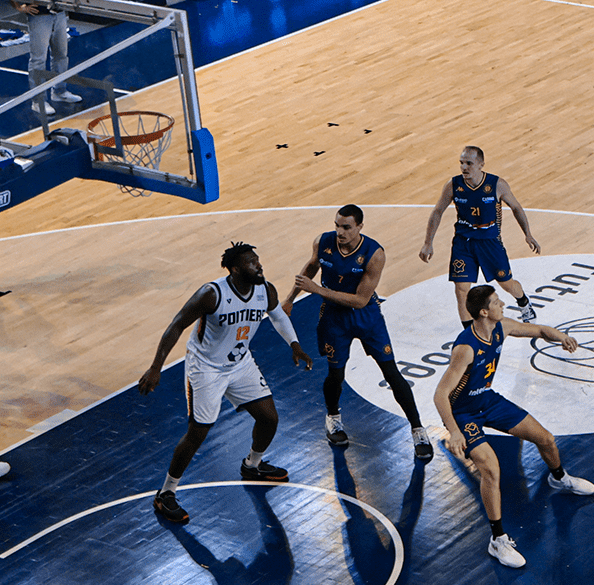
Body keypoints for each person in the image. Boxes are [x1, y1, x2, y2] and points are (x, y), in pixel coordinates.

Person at [137, 242, 313, 526]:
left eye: (258, 260)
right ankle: (166, 492)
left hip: (240, 363)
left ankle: (252, 466)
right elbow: (177, 325)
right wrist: (156, 367)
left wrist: (295, 345)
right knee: (198, 432)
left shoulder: (264, 290)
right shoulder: (212, 294)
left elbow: (278, 316)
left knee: (269, 418)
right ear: (234, 269)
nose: (259, 266)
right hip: (206, 368)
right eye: (251, 262)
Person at [431, 284, 594, 569]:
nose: (503, 304)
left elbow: (540, 330)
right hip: (465, 414)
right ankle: (497, 540)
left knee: (545, 438)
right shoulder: (466, 348)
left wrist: (562, 337)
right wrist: (455, 431)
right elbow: (440, 394)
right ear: (484, 312)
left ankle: (559, 477)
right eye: (497, 302)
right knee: (491, 469)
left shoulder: (501, 327)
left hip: (488, 400)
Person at [289, 205, 435, 459]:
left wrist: (318, 290)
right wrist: (290, 298)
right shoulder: (322, 242)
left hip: (365, 315)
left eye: (346, 227)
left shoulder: (374, 254)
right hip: (335, 318)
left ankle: (417, 429)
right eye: (337, 225)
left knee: (391, 372)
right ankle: (333, 417)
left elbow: (359, 300)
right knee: (336, 373)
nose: (340, 232)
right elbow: (312, 266)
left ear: (359, 227)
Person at [421, 146, 544, 323]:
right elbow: (437, 211)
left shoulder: (496, 184)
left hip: (489, 242)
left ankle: (523, 302)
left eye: (469, 163)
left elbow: (516, 207)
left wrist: (528, 234)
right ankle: (468, 331)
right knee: (461, 289)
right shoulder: (453, 185)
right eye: (461, 163)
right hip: (464, 242)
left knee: (506, 283)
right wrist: (428, 242)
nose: (464, 167)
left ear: (481, 165)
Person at [1, 0, 80, 117]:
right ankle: (38, 101)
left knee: (61, 54)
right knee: (38, 60)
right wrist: (19, 7)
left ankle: (59, 91)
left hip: (58, 13)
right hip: (39, 18)